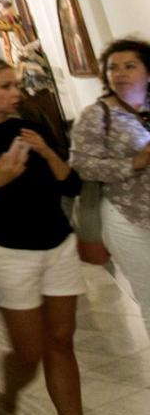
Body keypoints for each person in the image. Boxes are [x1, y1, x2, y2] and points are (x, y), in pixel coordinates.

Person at [0, 59, 136, 415]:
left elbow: (70, 182)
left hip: (57, 245)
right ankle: (8, 400)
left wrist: (47, 151)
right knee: (28, 352)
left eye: (16, 84)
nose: (17, 92)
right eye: (6, 85)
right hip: (9, 253)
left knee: (61, 342)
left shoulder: (29, 127)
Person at [70, 38, 150, 332]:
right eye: (113, 68)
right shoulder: (97, 115)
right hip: (127, 216)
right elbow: (82, 165)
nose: (120, 73)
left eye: (130, 66)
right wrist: (135, 162)